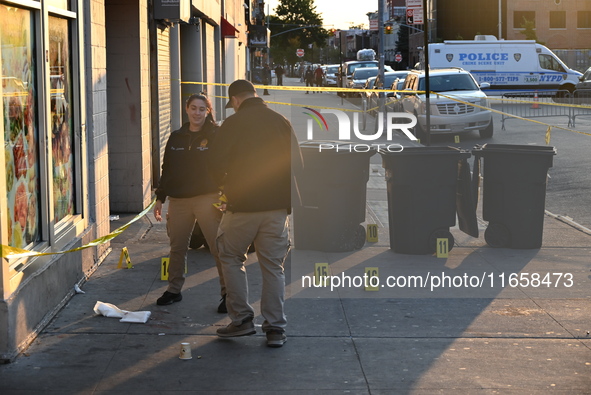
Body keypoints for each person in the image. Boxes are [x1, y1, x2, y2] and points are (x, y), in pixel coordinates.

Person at [210, 79, 303, 348]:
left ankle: (241, 320)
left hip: (242, 206)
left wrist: (224, 190)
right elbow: (298, 162)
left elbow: (215, 163)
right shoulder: (281, 121)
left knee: (230, 256)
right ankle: (275, 329)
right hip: (276, 210)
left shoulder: (233, 123)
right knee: (273, 267)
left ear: (236, 100)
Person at [153, 93, 227, 313]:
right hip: (179, 201)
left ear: (208, 111)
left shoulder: (216, 135)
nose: (197, 113)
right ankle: (174, 290)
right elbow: (167, 169)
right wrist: (160, 197)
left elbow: (227, 166)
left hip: (208, 198)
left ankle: (228, 294)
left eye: (202, 109)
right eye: (193, 108)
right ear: (187, 109)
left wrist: (226, 194)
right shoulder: (176, 137)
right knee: (177, 247)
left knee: (217, 247)